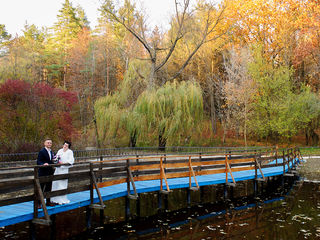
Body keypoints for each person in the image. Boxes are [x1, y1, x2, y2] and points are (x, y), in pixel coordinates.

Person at [51, 141, 74, 205]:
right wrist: (56, 161)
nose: (65, 146)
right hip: (58, 169)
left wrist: (63, 163)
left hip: (64, 169)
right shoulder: (60, 150)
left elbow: (71, 161)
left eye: (66, 145)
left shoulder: (70, 152)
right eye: (64, 145)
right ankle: (54, 198)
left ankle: (61, 198)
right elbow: (56, 157)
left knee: (62, 183)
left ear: (68, 146)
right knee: (55, 183)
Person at [37, 138, 55, 207]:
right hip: (43, 172)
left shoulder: (51, 151)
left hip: (50, 171)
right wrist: (43, 164)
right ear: (44, 143)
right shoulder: (42, 151)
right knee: (41, 188)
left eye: (50, 143)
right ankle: (39, 203)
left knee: (48, 187)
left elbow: (51, 160)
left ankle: (48, 201)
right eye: (48, 143)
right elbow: (38, 161)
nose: (49, 144)